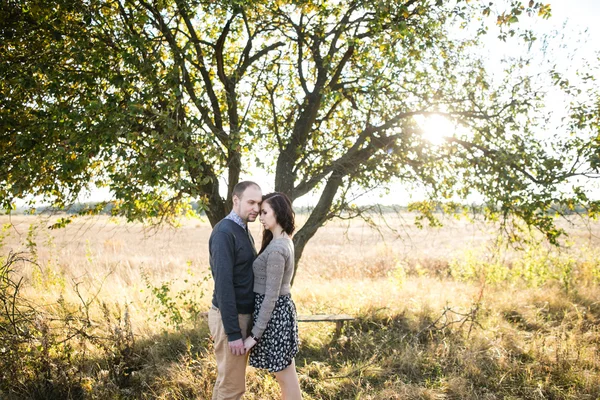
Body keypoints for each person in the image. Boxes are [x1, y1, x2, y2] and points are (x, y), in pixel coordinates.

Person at [243, 192, 302, 399]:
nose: (261, 218)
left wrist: (254, 336)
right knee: (287, 379)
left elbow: (271, 297)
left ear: (278, 212)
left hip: (274, 318)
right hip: (279, 315)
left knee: (286, 380)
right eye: (260, 213)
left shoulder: (277, 248)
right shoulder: (283, 240)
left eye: (265, 212)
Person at [208, 181, 262, 400]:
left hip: (241, 317)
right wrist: (233, 333)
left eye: (259, 203)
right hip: (231, 319)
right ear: (236, 200)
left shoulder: (241, 228)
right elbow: (223, 285)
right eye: (251, 202)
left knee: (229, 383)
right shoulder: (224, 232)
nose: (256, 209)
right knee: (232, 388)